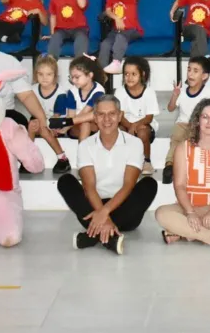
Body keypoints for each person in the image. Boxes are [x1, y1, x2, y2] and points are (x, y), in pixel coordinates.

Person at [58, 96, 159, 255]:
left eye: (112, 113)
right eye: (101, 114)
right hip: (94, 206)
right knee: (65, 181)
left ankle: (92, 236)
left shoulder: (134, 143)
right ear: (95, 118)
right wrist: (103, 214)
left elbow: (128, 185)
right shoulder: (86, 145)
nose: (106, 119)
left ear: (120, 116)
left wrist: (103, 214)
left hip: (125, 208)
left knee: (149, 184)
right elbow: (89, 187)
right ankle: (108, 236)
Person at [154, 99, 210, 250]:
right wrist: (190, 213)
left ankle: (184, 232)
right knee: (161, 214)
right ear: (197, 121)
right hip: (188, 208)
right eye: (205, 117)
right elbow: (180, 186)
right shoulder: (183, 148)